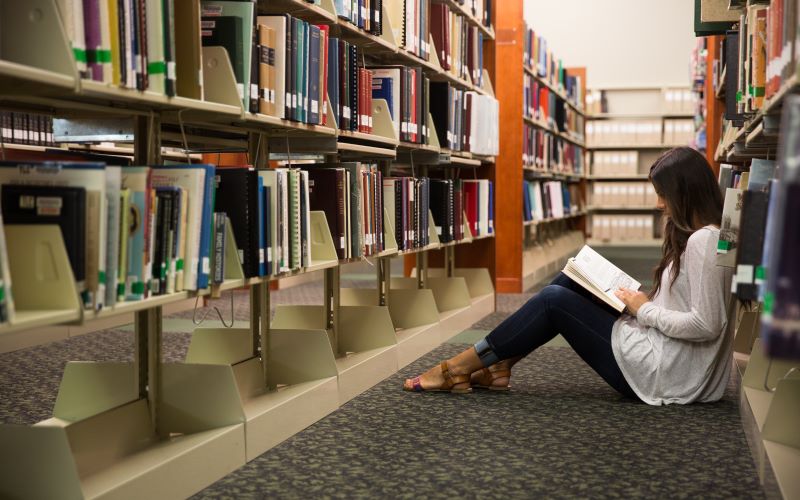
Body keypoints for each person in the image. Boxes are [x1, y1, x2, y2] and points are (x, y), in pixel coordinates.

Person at [403, 147, 735, 405]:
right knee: (570, 279)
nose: (659, 203)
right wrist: (640, 303)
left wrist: (642, 309)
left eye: (664, 194)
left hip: (666, 373)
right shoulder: (704, 236)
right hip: (663, 349)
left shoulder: (704, 241)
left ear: (684, 194)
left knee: (553, 301)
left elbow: (707, 324)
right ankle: (499, 366)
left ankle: (459, 367)